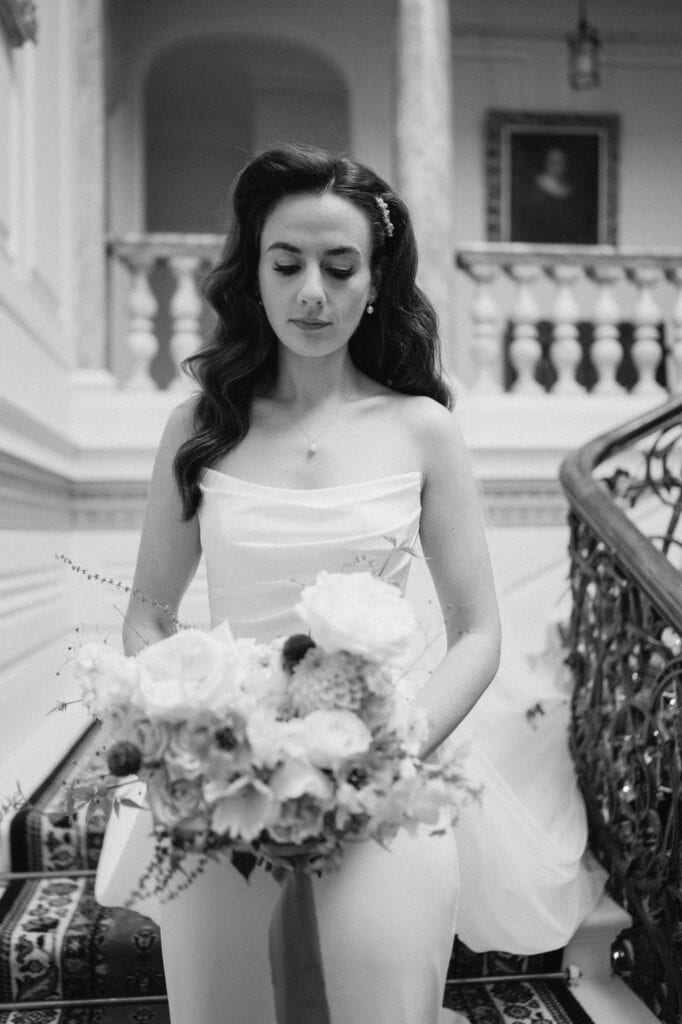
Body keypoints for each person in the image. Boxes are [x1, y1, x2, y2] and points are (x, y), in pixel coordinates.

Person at [117, 145, 603, 1024]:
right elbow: (149, 617)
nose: (313, 292)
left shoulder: (423, 429)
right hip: (226, 795)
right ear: (252, 274)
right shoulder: (198, 426)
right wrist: (193, 734)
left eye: (340, 268)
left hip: (384, 788)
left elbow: (478, 631)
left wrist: (388, 750)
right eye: (287, 264)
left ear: (376, 282)